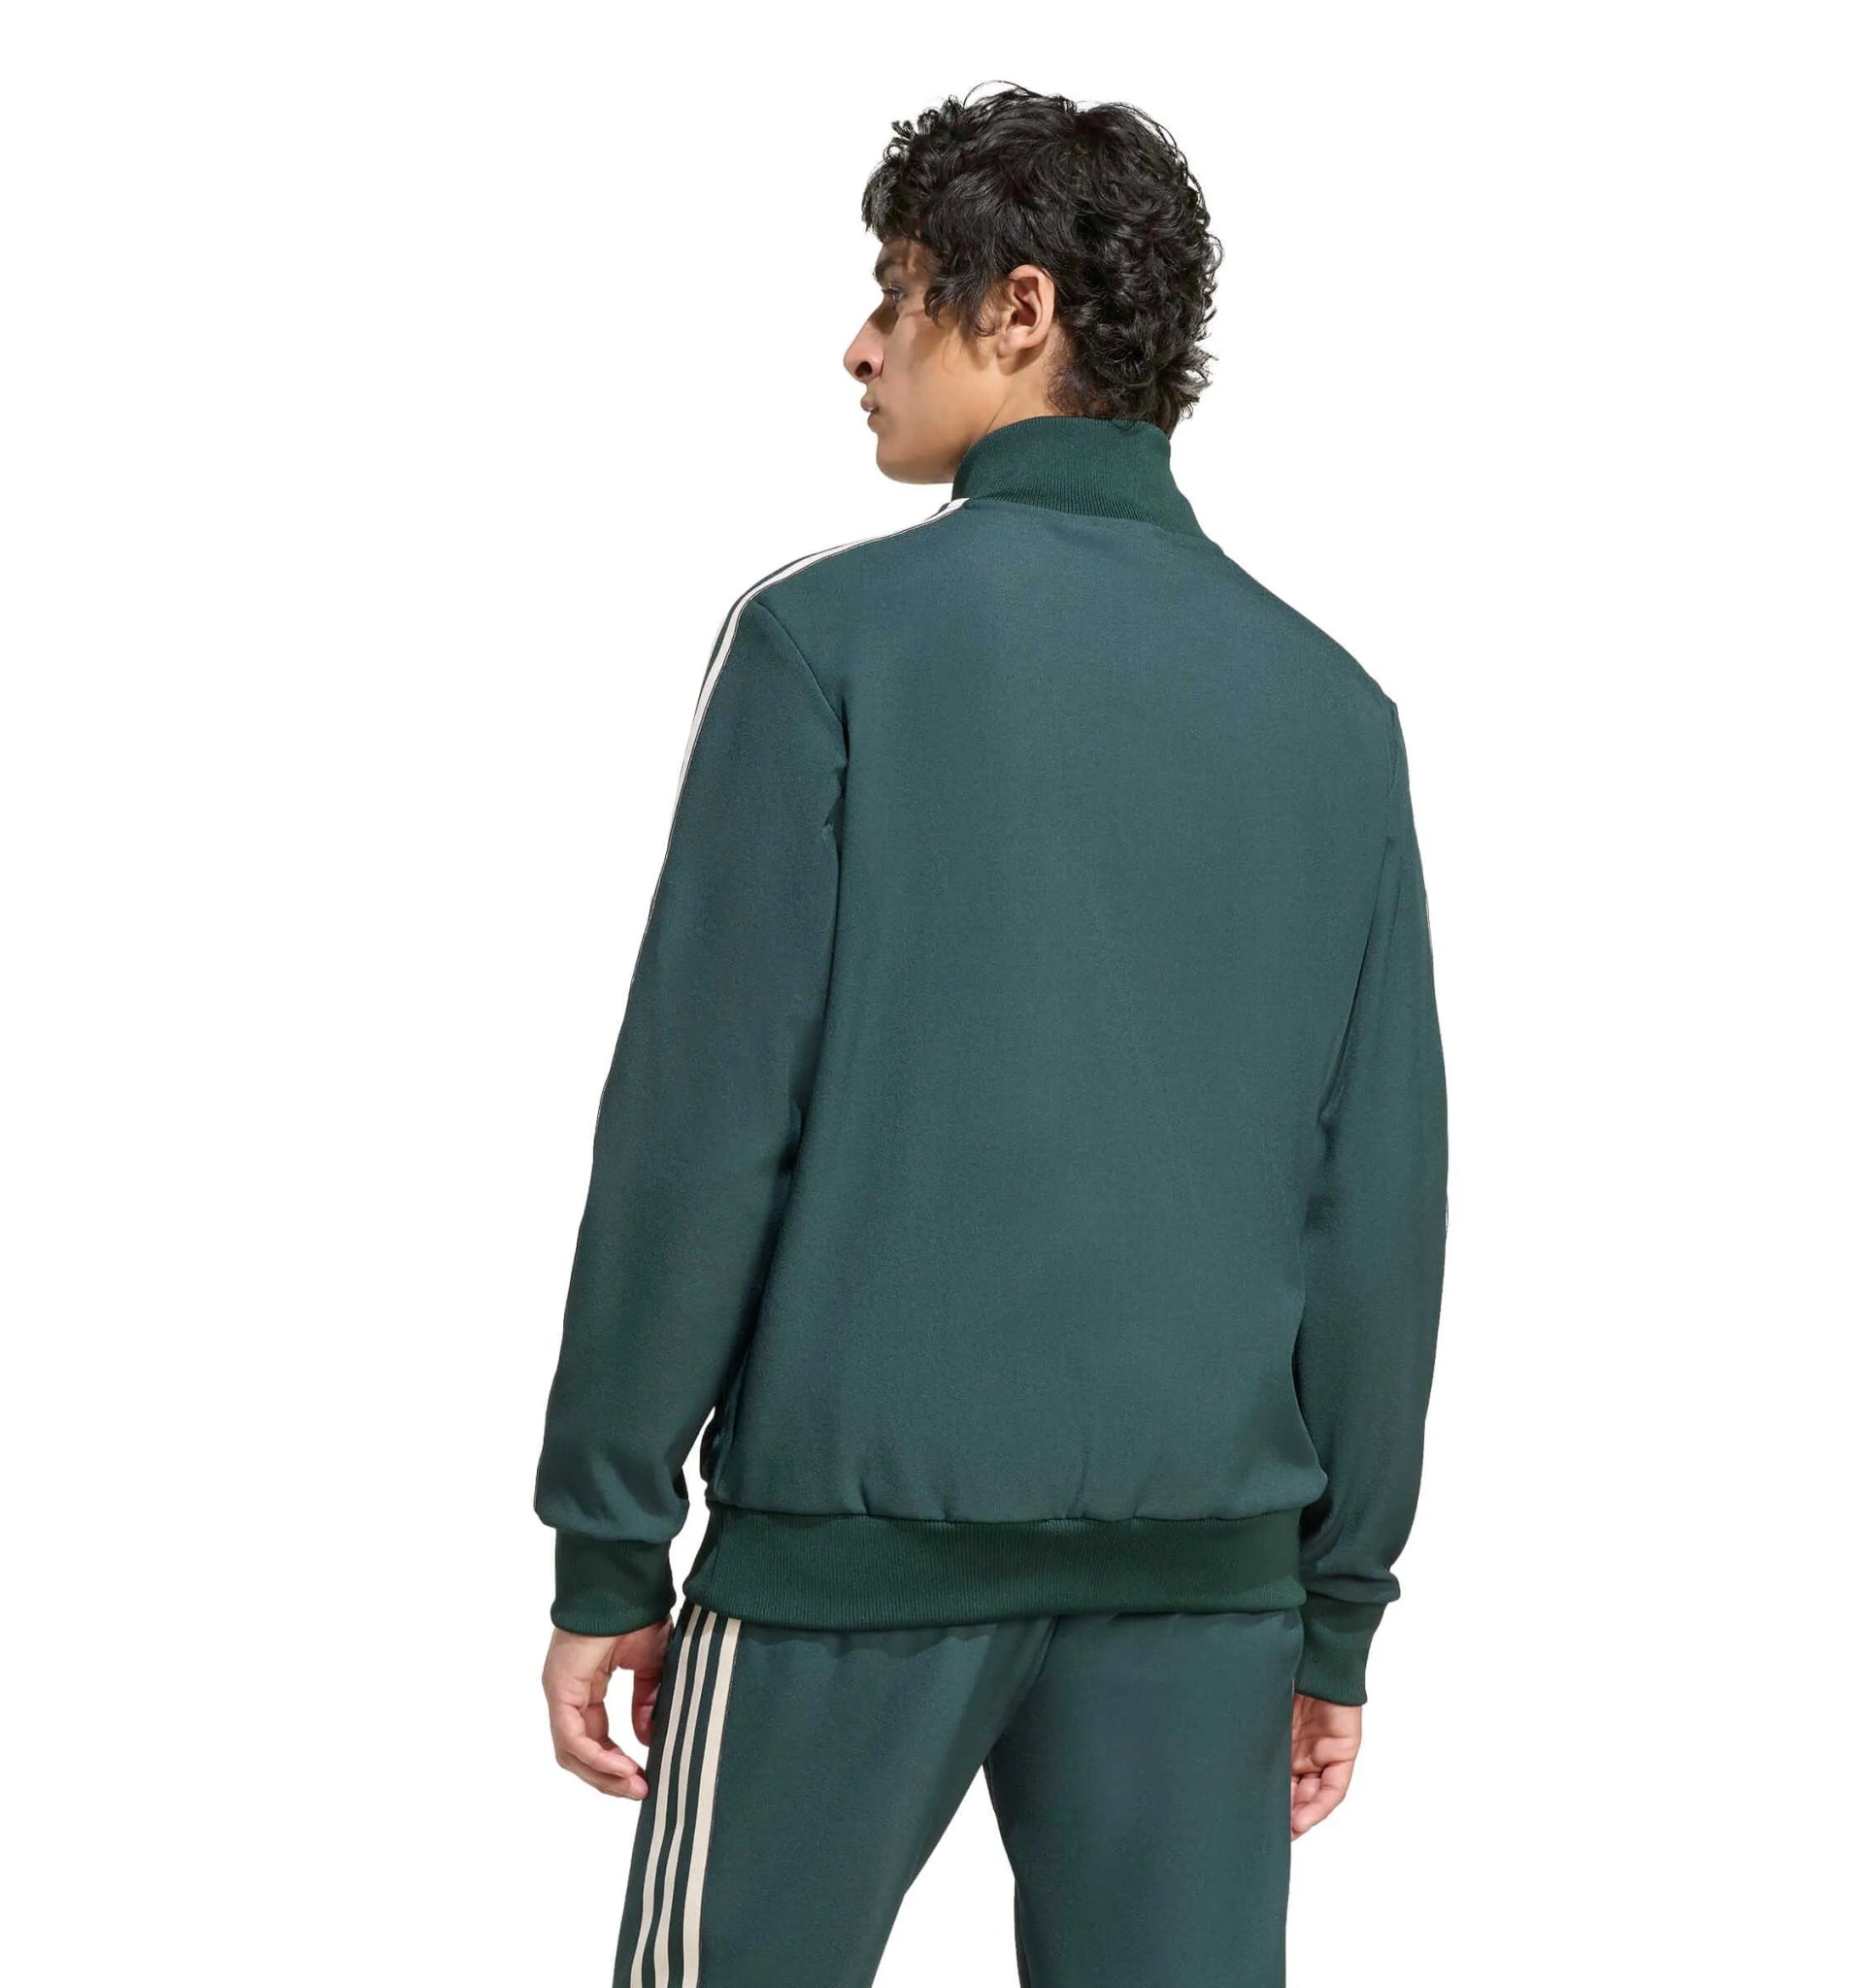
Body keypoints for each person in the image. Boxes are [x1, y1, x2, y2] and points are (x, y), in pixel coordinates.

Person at [534, 83, 1449, 1988]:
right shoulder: (1332, 708)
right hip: (1204, 1591)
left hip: (844, 1568)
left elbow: (702, 1125)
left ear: (1017, 310)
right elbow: (1379, 1201)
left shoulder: (830, 644)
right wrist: (1333, 1610)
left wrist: (610, 1540)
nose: (859, 347)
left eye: (896, 293)